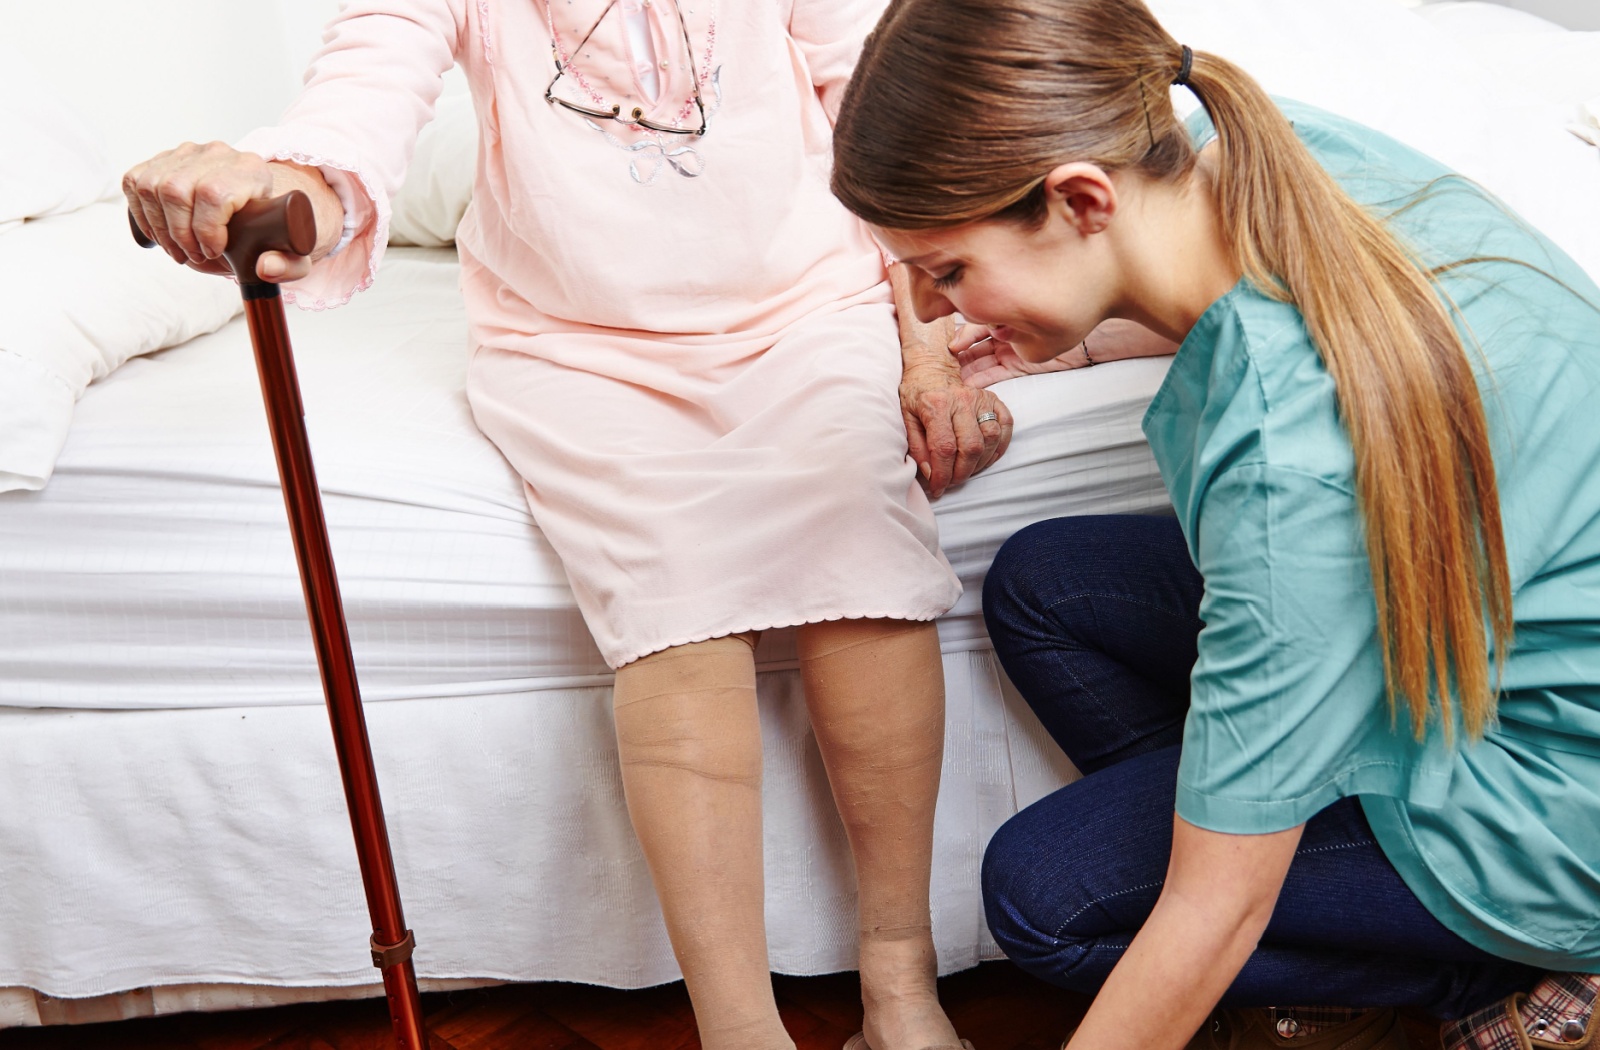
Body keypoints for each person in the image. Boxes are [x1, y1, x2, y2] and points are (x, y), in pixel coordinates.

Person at [121, 2, 1007, 1048]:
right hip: (575, 345)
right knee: (676, 612)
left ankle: (900, 988)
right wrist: (277, 185)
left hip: (809, 308)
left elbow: (886, 118)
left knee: (866, 556)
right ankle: (740, 1030)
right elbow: (358, 109)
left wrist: (926, 351)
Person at [828, 1, 1600, 1048]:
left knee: (1043, 897)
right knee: (1047, 584)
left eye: (948, 270)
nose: (927, 314)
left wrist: (1220, 886)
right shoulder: (1260, 150)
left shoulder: (1292, 463)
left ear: (1081, 198)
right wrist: (1078, 336)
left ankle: (1506, 974)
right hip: (1474, 634)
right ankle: (1311, 915)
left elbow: (1210, 906)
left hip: (1548, 804)